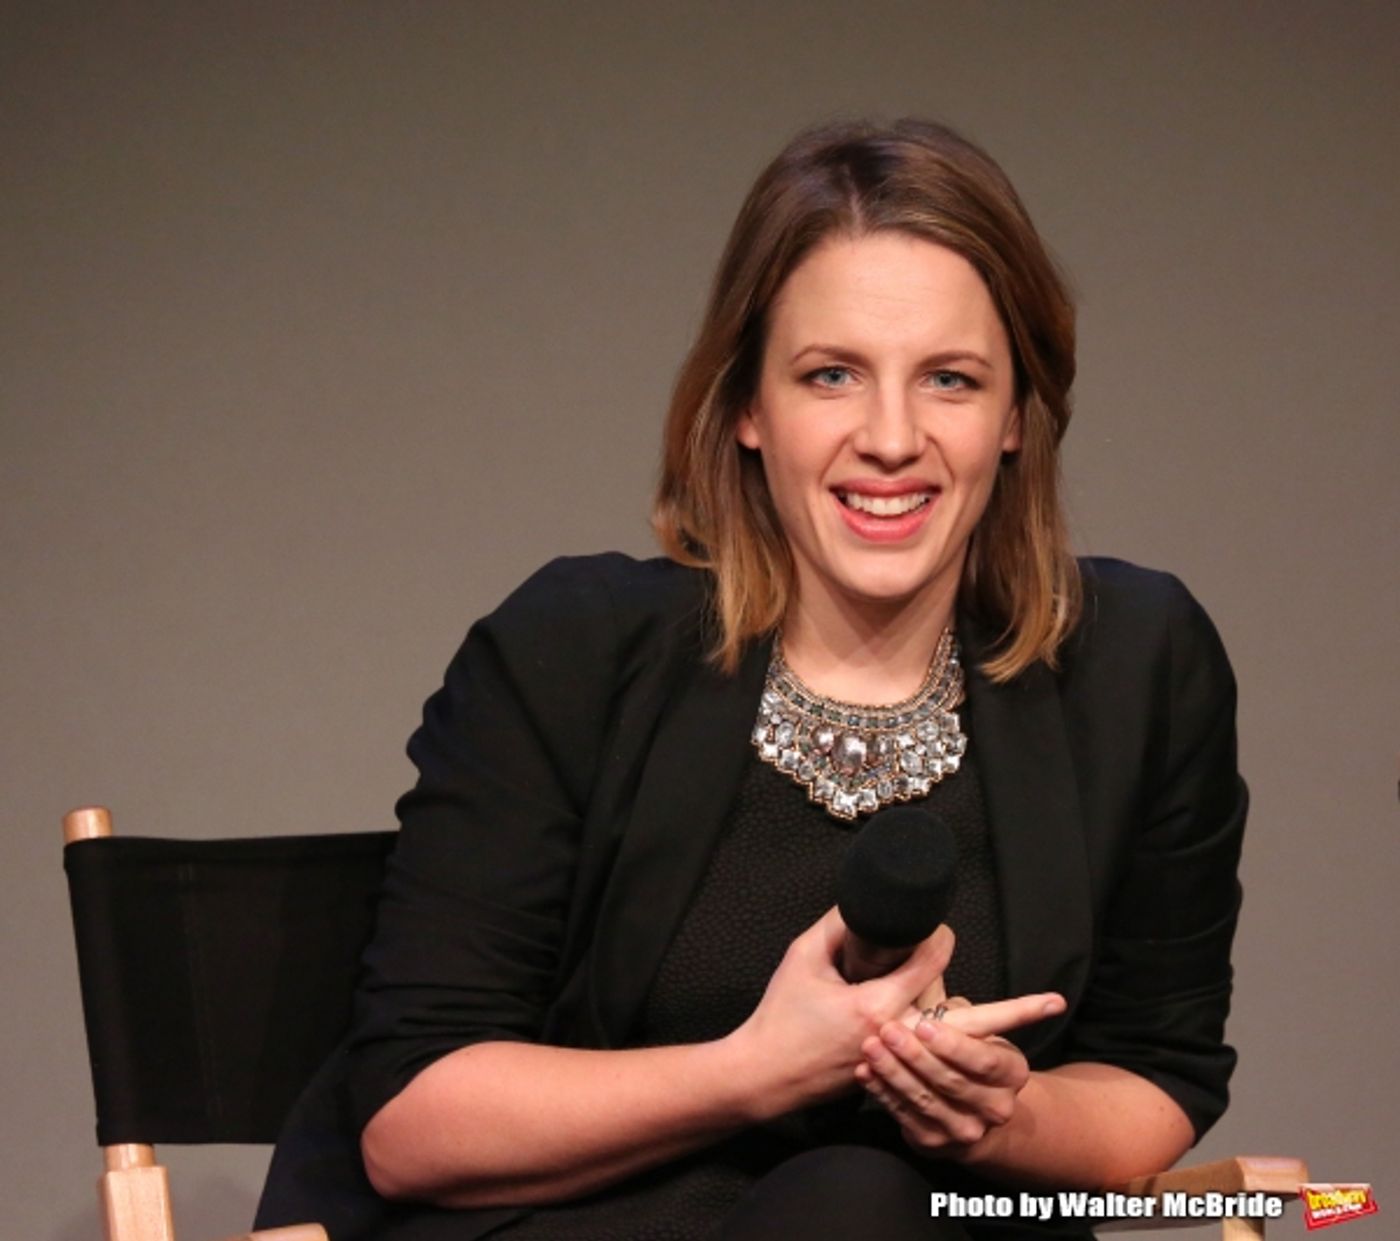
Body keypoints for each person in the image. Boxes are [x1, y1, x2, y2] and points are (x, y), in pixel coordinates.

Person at [257, 118, 1246, 1241]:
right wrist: (753, 1070)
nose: (890, 436)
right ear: (743, 407)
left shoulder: (1136, 666)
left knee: (860, 1203)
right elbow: (412, 1118)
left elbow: (1148, 1080)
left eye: (950, 379)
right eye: (830, 374)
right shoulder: (571, 646)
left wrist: (997, 1117)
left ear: (1014, 414)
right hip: (578, 1224)